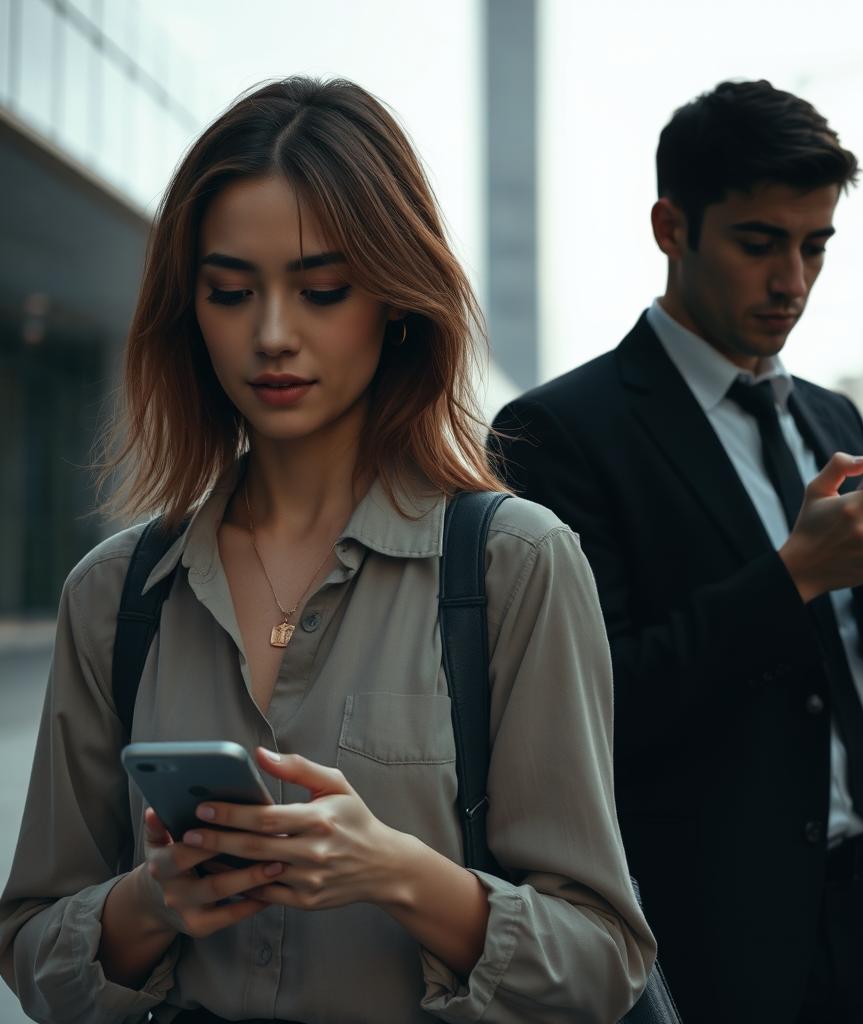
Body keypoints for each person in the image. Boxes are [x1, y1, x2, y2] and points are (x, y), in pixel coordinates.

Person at [0, 77, 655, 1024]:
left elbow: (603, 958)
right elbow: (30, 947)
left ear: (395, 298)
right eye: (231, 292)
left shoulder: (515, 565)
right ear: (191, 310)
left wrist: (400, 875)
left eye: (321, 290)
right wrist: (152, 903)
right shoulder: (114, 594)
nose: (272, 334)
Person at [490, 79, 863, 1023]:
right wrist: (799, 574)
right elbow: (590, 715)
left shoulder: (834, 417)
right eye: (759, 243)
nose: (794, 281)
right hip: (706, 932)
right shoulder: (558, 434)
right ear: (671, 227)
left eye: (815, 246)